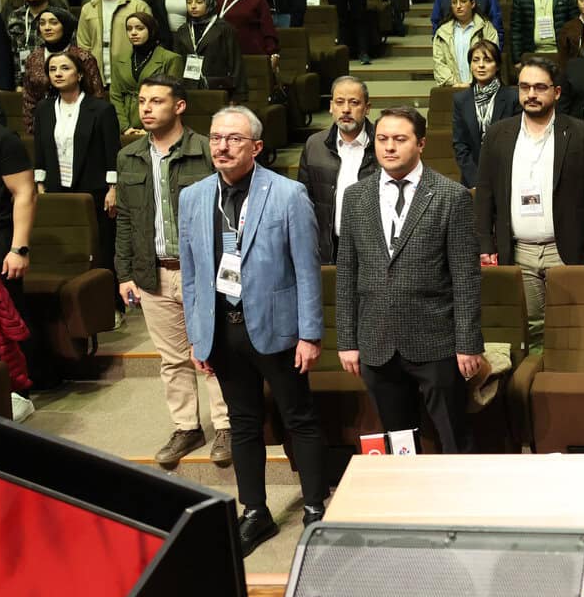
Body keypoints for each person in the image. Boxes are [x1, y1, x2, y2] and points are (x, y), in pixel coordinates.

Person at [177, 105, 328, 555]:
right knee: (242, 423)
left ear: (256, 147)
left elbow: (307, 269)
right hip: (223, 329)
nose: (222, 146)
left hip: (279, 328)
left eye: (234, 139)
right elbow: (190, 274)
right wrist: (196, 334)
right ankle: (255, 511)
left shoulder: (288, 194)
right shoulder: (193, 196)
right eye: (216, 137)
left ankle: (316, 509)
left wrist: (310, 333)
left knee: (298, 417)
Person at [336, 106, 484, 454]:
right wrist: (346, 339)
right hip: (377, 339)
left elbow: (466, 277)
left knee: (453, 435)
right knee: (399, 441)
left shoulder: (451, 196)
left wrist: (468, 342)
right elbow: (346, 273)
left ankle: (461, 502)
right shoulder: (356, 196)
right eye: (382, 139)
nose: (389, 147)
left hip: (436, 340)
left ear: (421, 144)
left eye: (399, 139)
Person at [115, 77, 227, 467]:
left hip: (203, 272)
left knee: (214, 351)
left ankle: (226, 426)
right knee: (171, 358)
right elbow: (126, 220)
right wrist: (124, 272)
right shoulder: (129, 156)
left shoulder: (206, 150)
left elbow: (227, 212)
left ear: (179, 106)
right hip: (154, 272)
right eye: (142, 100)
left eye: (156, 101)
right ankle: (186, 426)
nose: (146, 108)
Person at [475, 56, 584, 349]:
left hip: (567, 251)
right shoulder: (499, 134)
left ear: (557, 92)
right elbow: (484, 194)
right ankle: (536, 387)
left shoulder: (581, 135)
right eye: (524, 88)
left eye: (539, 87)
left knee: (573, 331)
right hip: (518, 251)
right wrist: (486, 245)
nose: (531, 95)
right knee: (531, 331)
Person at [33, 50, 121, 268]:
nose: (58, 74)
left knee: (98, 243)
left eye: (65, 68)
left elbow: (112, 151)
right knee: (64, 243)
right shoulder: (44, 109)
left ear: (80, 75)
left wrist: (113, 188)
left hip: (94, 187)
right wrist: (40, 183)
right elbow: (40, 149)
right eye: (52, 69)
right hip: (56, 186)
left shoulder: (101, 109)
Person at [298, 75, 375, 264]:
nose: (346, 109)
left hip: (373, 250)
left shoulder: (382, 145)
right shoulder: (314, 145)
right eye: (340, 102)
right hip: (328, 248)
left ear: (367, 108)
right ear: (331, 106)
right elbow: (303, 201)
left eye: (354, 102)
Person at [451, 41, 519, 189]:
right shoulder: (461, 100)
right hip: (472, 179)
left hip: (508, 176)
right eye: (475, 60)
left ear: (498, 65)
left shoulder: (513, 97)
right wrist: (476, 181)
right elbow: (460, 144)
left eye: (487, 60)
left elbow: (517, 141)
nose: (481, 65)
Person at [74, 0, 148, 87]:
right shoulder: (88, 8)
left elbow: (148, 44)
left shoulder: (138, 6)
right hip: (96, 79)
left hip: (129, 80)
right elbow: (83, 46)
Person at [110, 10, 179, 135]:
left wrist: (149, 128)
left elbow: (171, 98)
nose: (133, 33)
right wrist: (124, 127)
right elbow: (115, 96)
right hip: (126, 126)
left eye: (140, 28)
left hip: (159, 126)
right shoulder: (120, 59)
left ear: (151, 30)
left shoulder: (170, 59)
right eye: (129, 29)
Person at [169, 0, 244, 100]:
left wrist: (236, 96)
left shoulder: (224, 28)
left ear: (209, 4)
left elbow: (235, 63)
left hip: (217, 88)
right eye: (189, 2)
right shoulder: (183, 30)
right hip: (188, 89)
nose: (193, 6)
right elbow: (177, 63)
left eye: (199, 2)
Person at [431, 0, 499, 90]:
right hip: (452, 88)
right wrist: (455, 84)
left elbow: (491, 59)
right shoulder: (442, 32)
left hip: (482, 88)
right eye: (454, 2)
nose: (458, 6)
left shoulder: (486, 29)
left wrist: (472, 84)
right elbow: (439, 63)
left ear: (472, 4)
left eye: (463, 1)